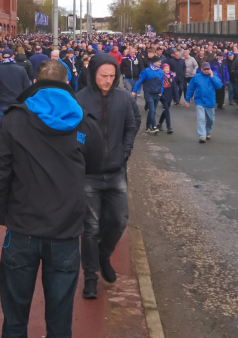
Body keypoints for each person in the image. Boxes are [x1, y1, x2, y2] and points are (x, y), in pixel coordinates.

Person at [0, 59, 100, 338]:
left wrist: (4, 214)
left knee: (14, 320)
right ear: (68, 84)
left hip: (22, 228)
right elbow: (95, 166)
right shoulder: (84, 122)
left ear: (34, 84)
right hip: (65, 232)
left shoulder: (14, 118)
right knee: (60, 322)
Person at [76, 54, 139, 300]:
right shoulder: (79, 99)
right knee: (89, 228)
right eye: (103, 76)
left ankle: (104, 255)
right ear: (93, 74)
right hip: (89, 174)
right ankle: (90, 276)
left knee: (118, 221)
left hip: (116, 171)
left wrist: (125, 151)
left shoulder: (123, 98)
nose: (108, 80)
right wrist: (84, 148)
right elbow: (75, 130)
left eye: (112, 76)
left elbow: (131, 126)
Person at [0, 49, 31, 125]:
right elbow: (27, 88)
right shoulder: (21, 70)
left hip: (3, 103)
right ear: (13, 57)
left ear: (2, 58)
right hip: (18, 104)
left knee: (2, 132)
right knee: (18, 130)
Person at [186, 61, 223, 143]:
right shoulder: (196, 77)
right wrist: (187, 99)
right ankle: (202, 136)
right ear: (201, 69)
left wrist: (212, 77)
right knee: (201, 118)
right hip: (199, 101)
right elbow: (190, 89)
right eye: (204, 69)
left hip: (210, 101)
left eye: (208, 69)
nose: (206, 70)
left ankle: (207, 131)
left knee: (211, 119)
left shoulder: (214, 76)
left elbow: (219, 86)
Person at [132, 59, 166, 134]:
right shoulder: (146, 71)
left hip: (157, 94)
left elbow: (162, 83)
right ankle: (154, 126)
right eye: (158, 62)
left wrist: (161, 92)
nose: (160, 63)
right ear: (153, 62)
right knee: (152, 110)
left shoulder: (160, 71)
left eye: (160, 62)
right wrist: (134, 91)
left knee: (152, 111)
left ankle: (147, 127)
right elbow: (140, 81)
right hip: (148, 93)